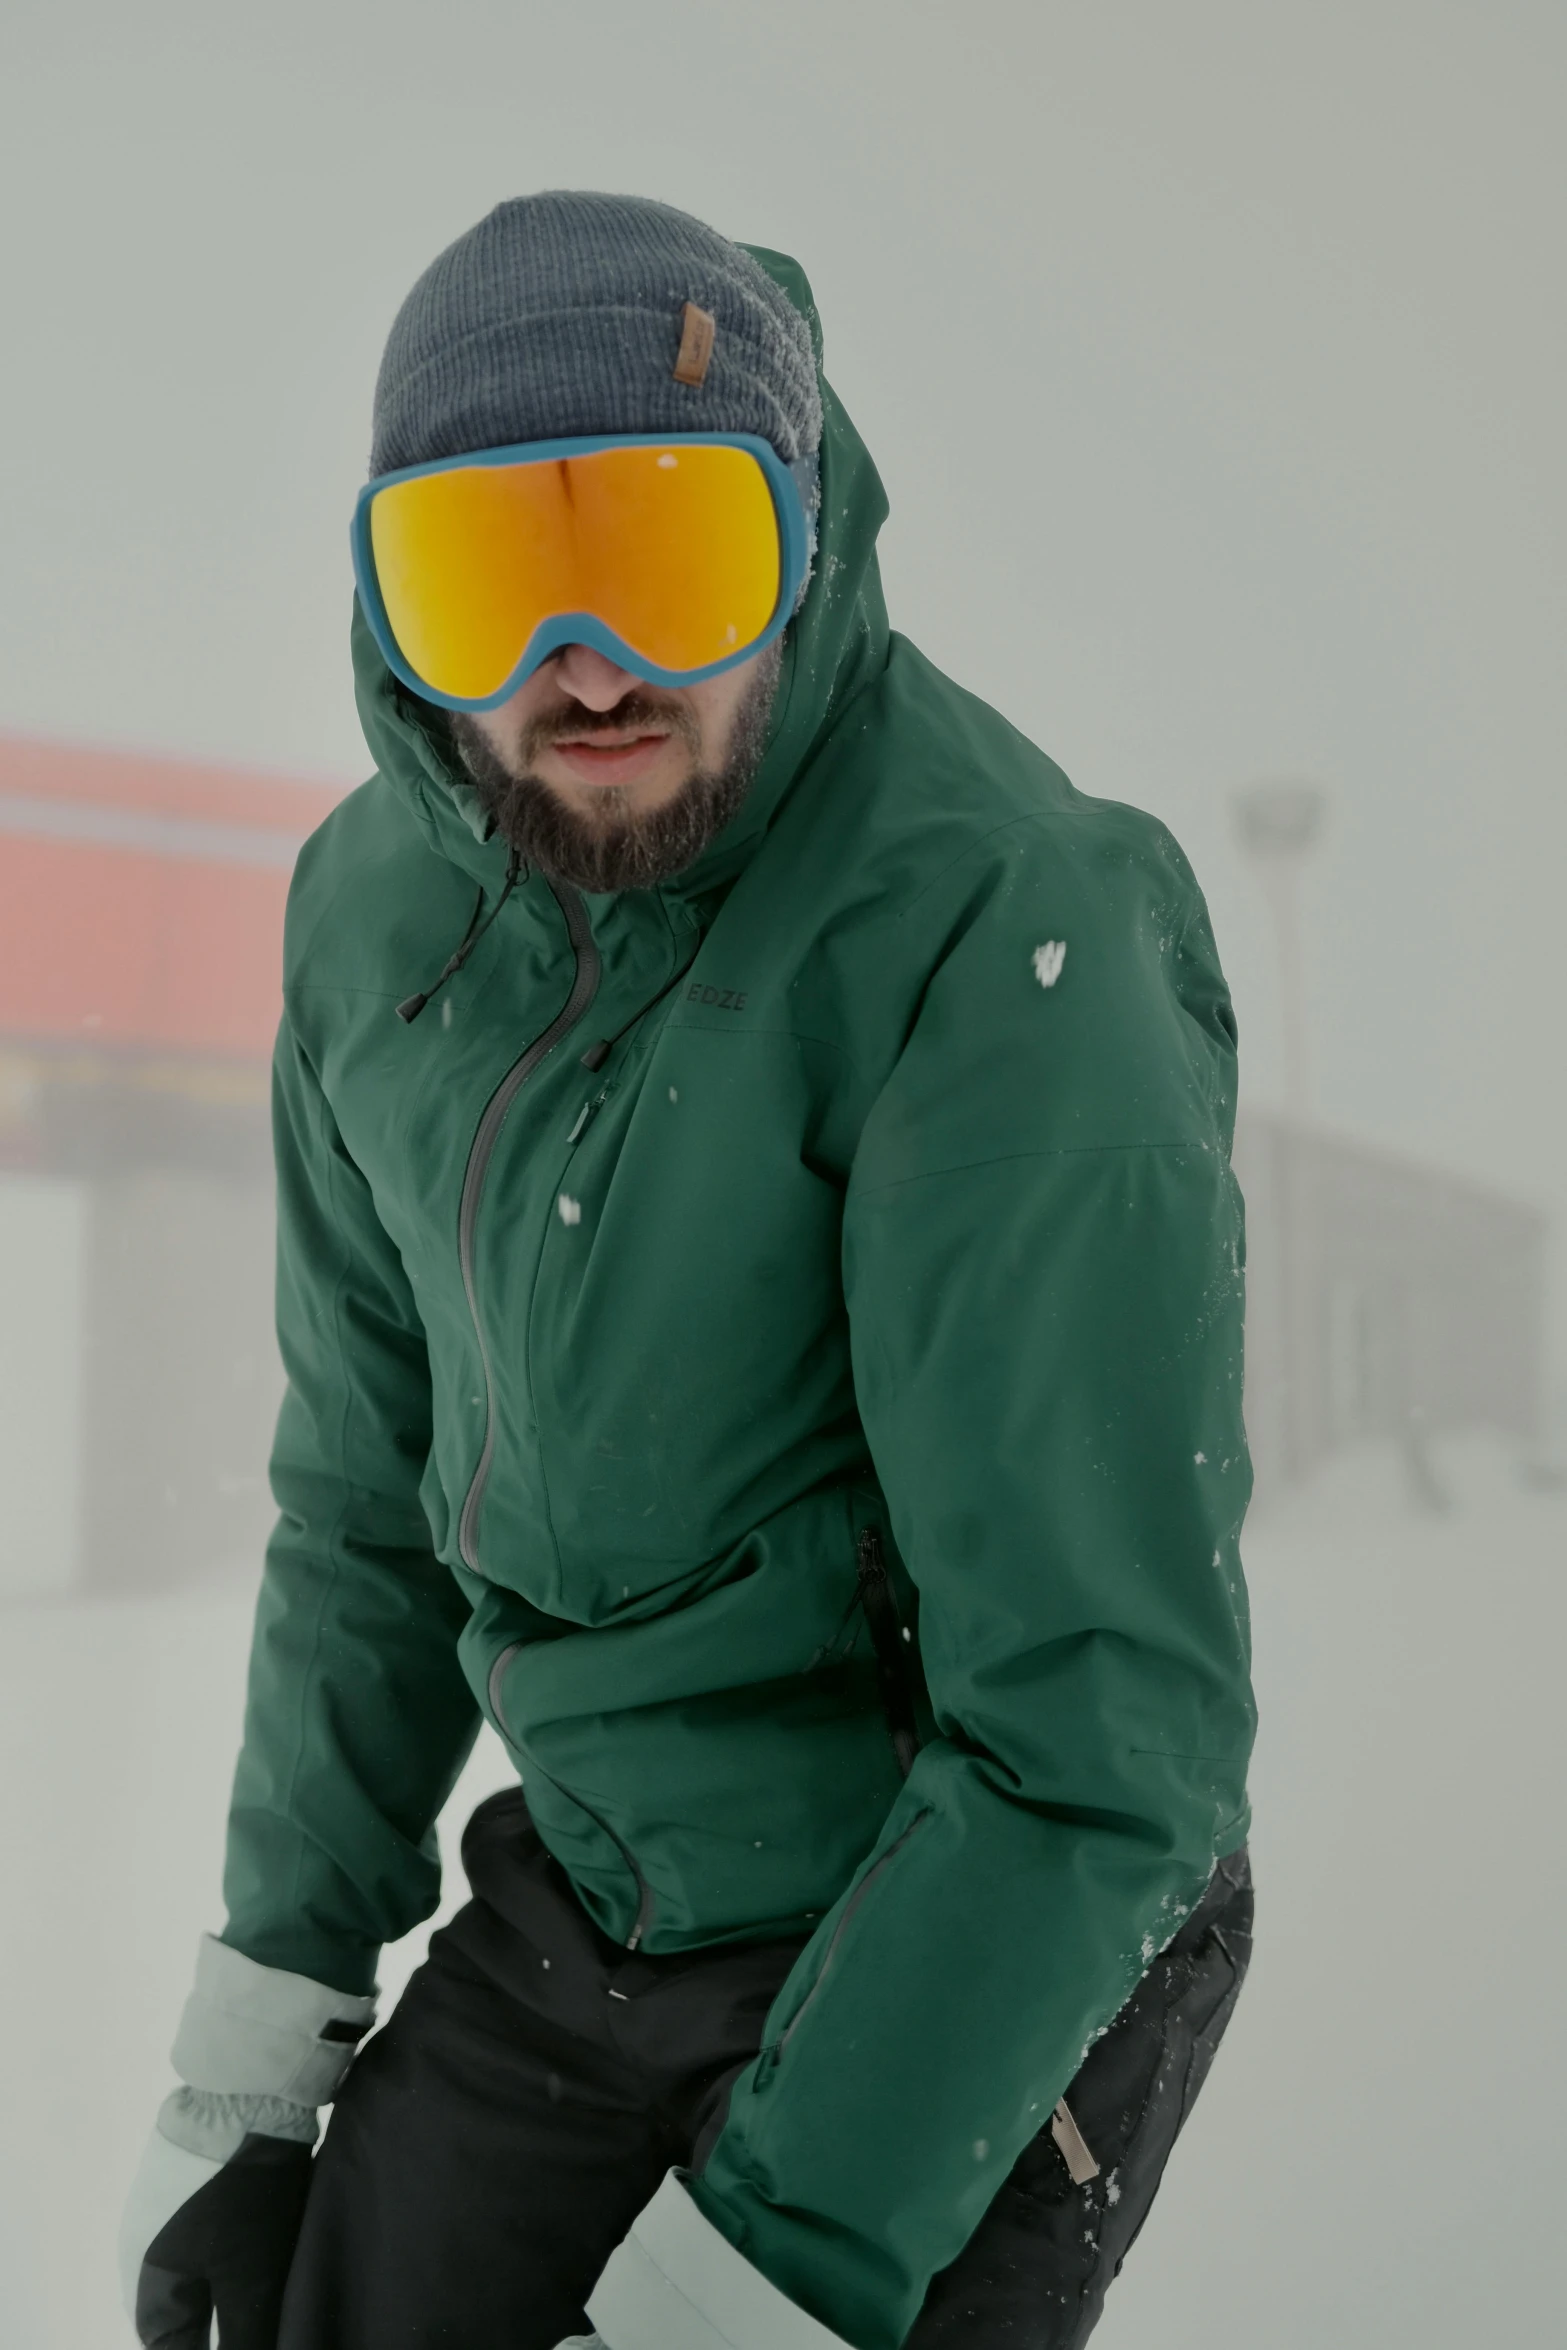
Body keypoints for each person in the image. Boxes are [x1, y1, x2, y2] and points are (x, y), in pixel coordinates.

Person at [118, 191, 1257, 2350]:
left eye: (668, 547)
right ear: (383, 596)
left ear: (804, 538)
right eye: (483, 576)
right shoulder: (373, 923)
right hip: (614, 1863)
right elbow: (368, 1507)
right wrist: (256, 2041)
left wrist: (759, 2278)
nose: (589, 662)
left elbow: (1103, 1730)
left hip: (980, 1896)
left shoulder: (1009, 936)